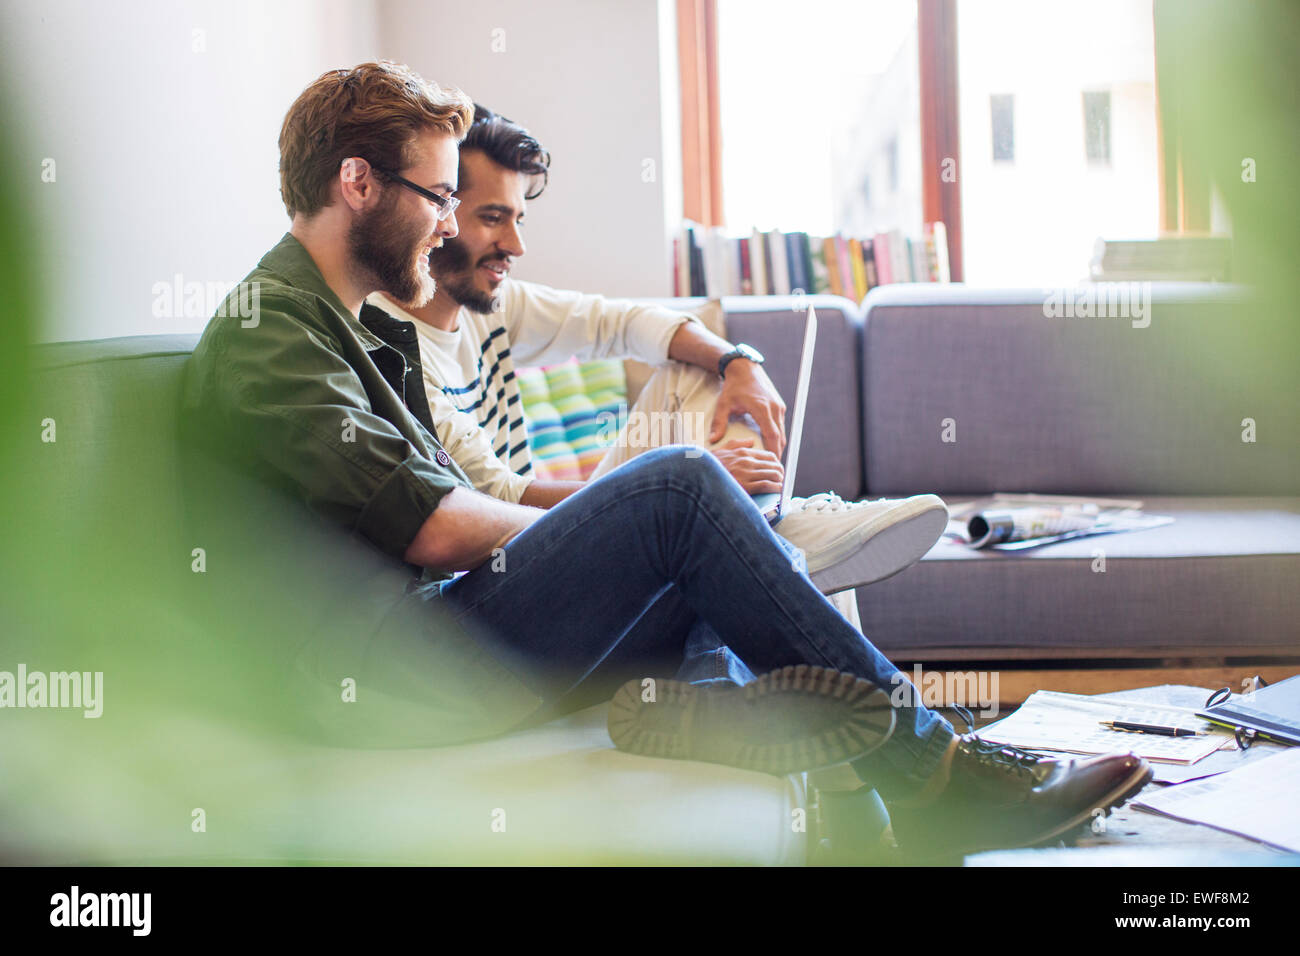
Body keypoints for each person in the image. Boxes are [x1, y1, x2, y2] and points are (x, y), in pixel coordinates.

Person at [181, 61, 1151, 860]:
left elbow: (445, 499)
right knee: (681, 492)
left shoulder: (346, 326)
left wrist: (623, 528)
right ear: (356, 184)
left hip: (423, 642)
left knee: (692, 530)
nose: (447, 223)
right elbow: (435, 523)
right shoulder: (275, 334)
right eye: (440, 195)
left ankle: (769, 751)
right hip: (382, 675)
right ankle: (940, 777)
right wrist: (611, 527)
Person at [366, 105, 949, 616]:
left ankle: (783, 534)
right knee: (765, 533)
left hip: (551, 541)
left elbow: (626, 322)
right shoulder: (393, 357)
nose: (516, 246)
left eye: (518, 220)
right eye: (493, 218)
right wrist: (685, 487)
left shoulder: (490, 307)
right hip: (508, 584)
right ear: (437, 213)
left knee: (693, 368)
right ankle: (784, 533)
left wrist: (738, 361)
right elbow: (498, 500)